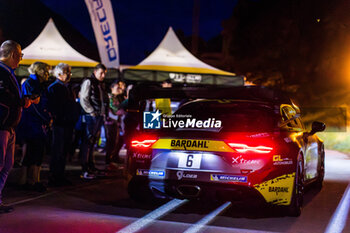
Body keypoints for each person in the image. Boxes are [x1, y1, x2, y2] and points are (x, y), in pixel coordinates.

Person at [0, 40, 30, 213]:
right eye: (20, 55)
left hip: (9, 127)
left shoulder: (8, 73)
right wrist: (22, 101)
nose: (20, 59)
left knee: (7, 165)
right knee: (2, 164)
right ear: (13, 55)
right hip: (2, 126)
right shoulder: (2, 73)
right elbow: (2, 96)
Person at [19, 62, 51, 192]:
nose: (48, 74)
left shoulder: (39, 84)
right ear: (40, 71)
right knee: (33, 151)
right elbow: (33, 105)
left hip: (37, 122)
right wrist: (46, 118)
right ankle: (29, 180)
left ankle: (33, 179)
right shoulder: (31, 84)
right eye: (47, 71)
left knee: (37, 151)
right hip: (32, 123)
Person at [47, 63, 79, 186]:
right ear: (59, 74)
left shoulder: (67, 87)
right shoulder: (55, 87)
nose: (69, 75)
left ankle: (60, 175)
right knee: (58, 150)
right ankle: (55, 176)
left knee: (64, 150)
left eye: (70, 72)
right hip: (60, 123)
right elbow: (54, 106)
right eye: (67, 72)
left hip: (68, 123)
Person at [79, 64, 109, 179]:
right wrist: (91, 111)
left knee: (92, 142)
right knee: (87, 142)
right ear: (95, 71)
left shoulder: (99, 84)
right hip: (91, 116)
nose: (103, 75)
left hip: (98, 116)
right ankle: (85, 168)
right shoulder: (89, 81)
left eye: (104, 73)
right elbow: (84, 98)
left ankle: (90, 166)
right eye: (101, 73)